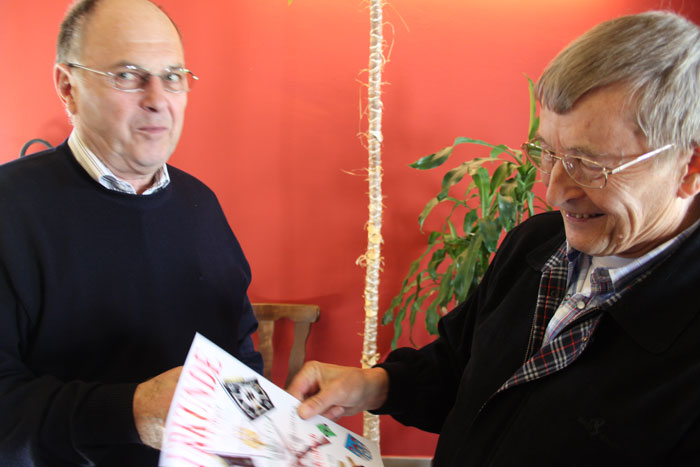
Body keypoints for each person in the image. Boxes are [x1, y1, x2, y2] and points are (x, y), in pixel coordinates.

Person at [289, 10, 700, 466]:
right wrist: (375, 384)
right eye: (548, 153)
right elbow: (461, 369)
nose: (555, 192)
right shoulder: (534, 244)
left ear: (689, 168)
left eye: (589, 165)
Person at [0, 0, 262, 465]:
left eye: (173, 76)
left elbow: (239, 348)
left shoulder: (201, 203)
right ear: (68, 87)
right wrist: (131, 411)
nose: (158, 99)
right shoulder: (10, 208)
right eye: (127, 75)